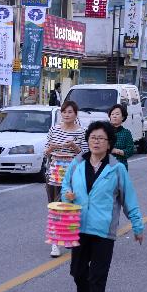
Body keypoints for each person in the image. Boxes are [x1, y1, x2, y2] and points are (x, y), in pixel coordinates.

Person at [61, 121, 144, 292]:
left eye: (101, 138)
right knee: (77, 272)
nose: (96, 142)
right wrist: (67, 196)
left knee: (97, 275)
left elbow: (129, 198)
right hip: (77, 226)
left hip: (103, 231)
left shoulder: (116, 169)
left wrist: (137, 224)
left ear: (109, 144)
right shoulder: (77, 163)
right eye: (93, 138)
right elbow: (65, 187)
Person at [44, 100, 88, 257]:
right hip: (55, 172)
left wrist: (74, 147)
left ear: (75, 114)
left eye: (70, 112)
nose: (66, 115)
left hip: (73, 173)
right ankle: (55, 244)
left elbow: (85, 155)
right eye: (64, 112)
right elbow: (46, 152)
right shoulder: (54, 129)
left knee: (71, 207)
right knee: (55, 207)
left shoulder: (82, 132)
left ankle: (69, 237)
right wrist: (52, 148)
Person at [108, 103, 135, 170]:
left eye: (117, 114)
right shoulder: (105, 131)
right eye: (112, 114)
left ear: (123, 117)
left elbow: (130, 150)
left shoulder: (126, 133)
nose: (114, 116)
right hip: (106, 165)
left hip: (121, 165)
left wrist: (116, 151)